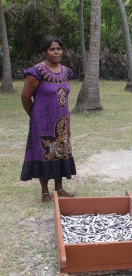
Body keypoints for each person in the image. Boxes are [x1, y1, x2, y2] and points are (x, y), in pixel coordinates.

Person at [20, 36, 76, 203]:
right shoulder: (36, 72)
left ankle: (59, 188)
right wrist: (34, 115)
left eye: (58, 48)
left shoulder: (66, 72)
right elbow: (25, 96)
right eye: (52, 49)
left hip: (62, 121)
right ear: (45, 51)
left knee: (60, 151)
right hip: (42, 122)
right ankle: (45, 191)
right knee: (44, 153)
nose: (56, 52)